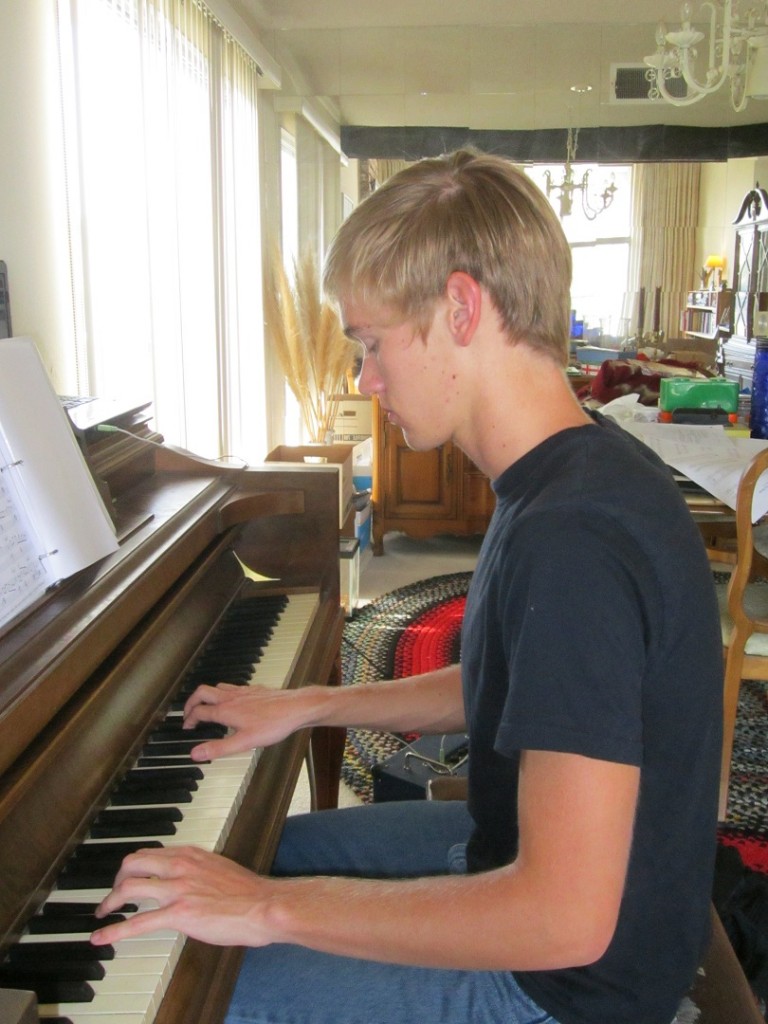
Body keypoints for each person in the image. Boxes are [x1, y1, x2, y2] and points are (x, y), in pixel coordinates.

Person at [93, 150, 723, 1024]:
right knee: (257, 856)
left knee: (186, 986)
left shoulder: (574, 538)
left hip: (570, 988)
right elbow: (508, 688)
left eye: (372, 342)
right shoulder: (565, 473)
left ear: (461, 307)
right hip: (513, 864)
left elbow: (560, 920)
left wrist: (265, 909)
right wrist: (312, 705)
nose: (365, 379)